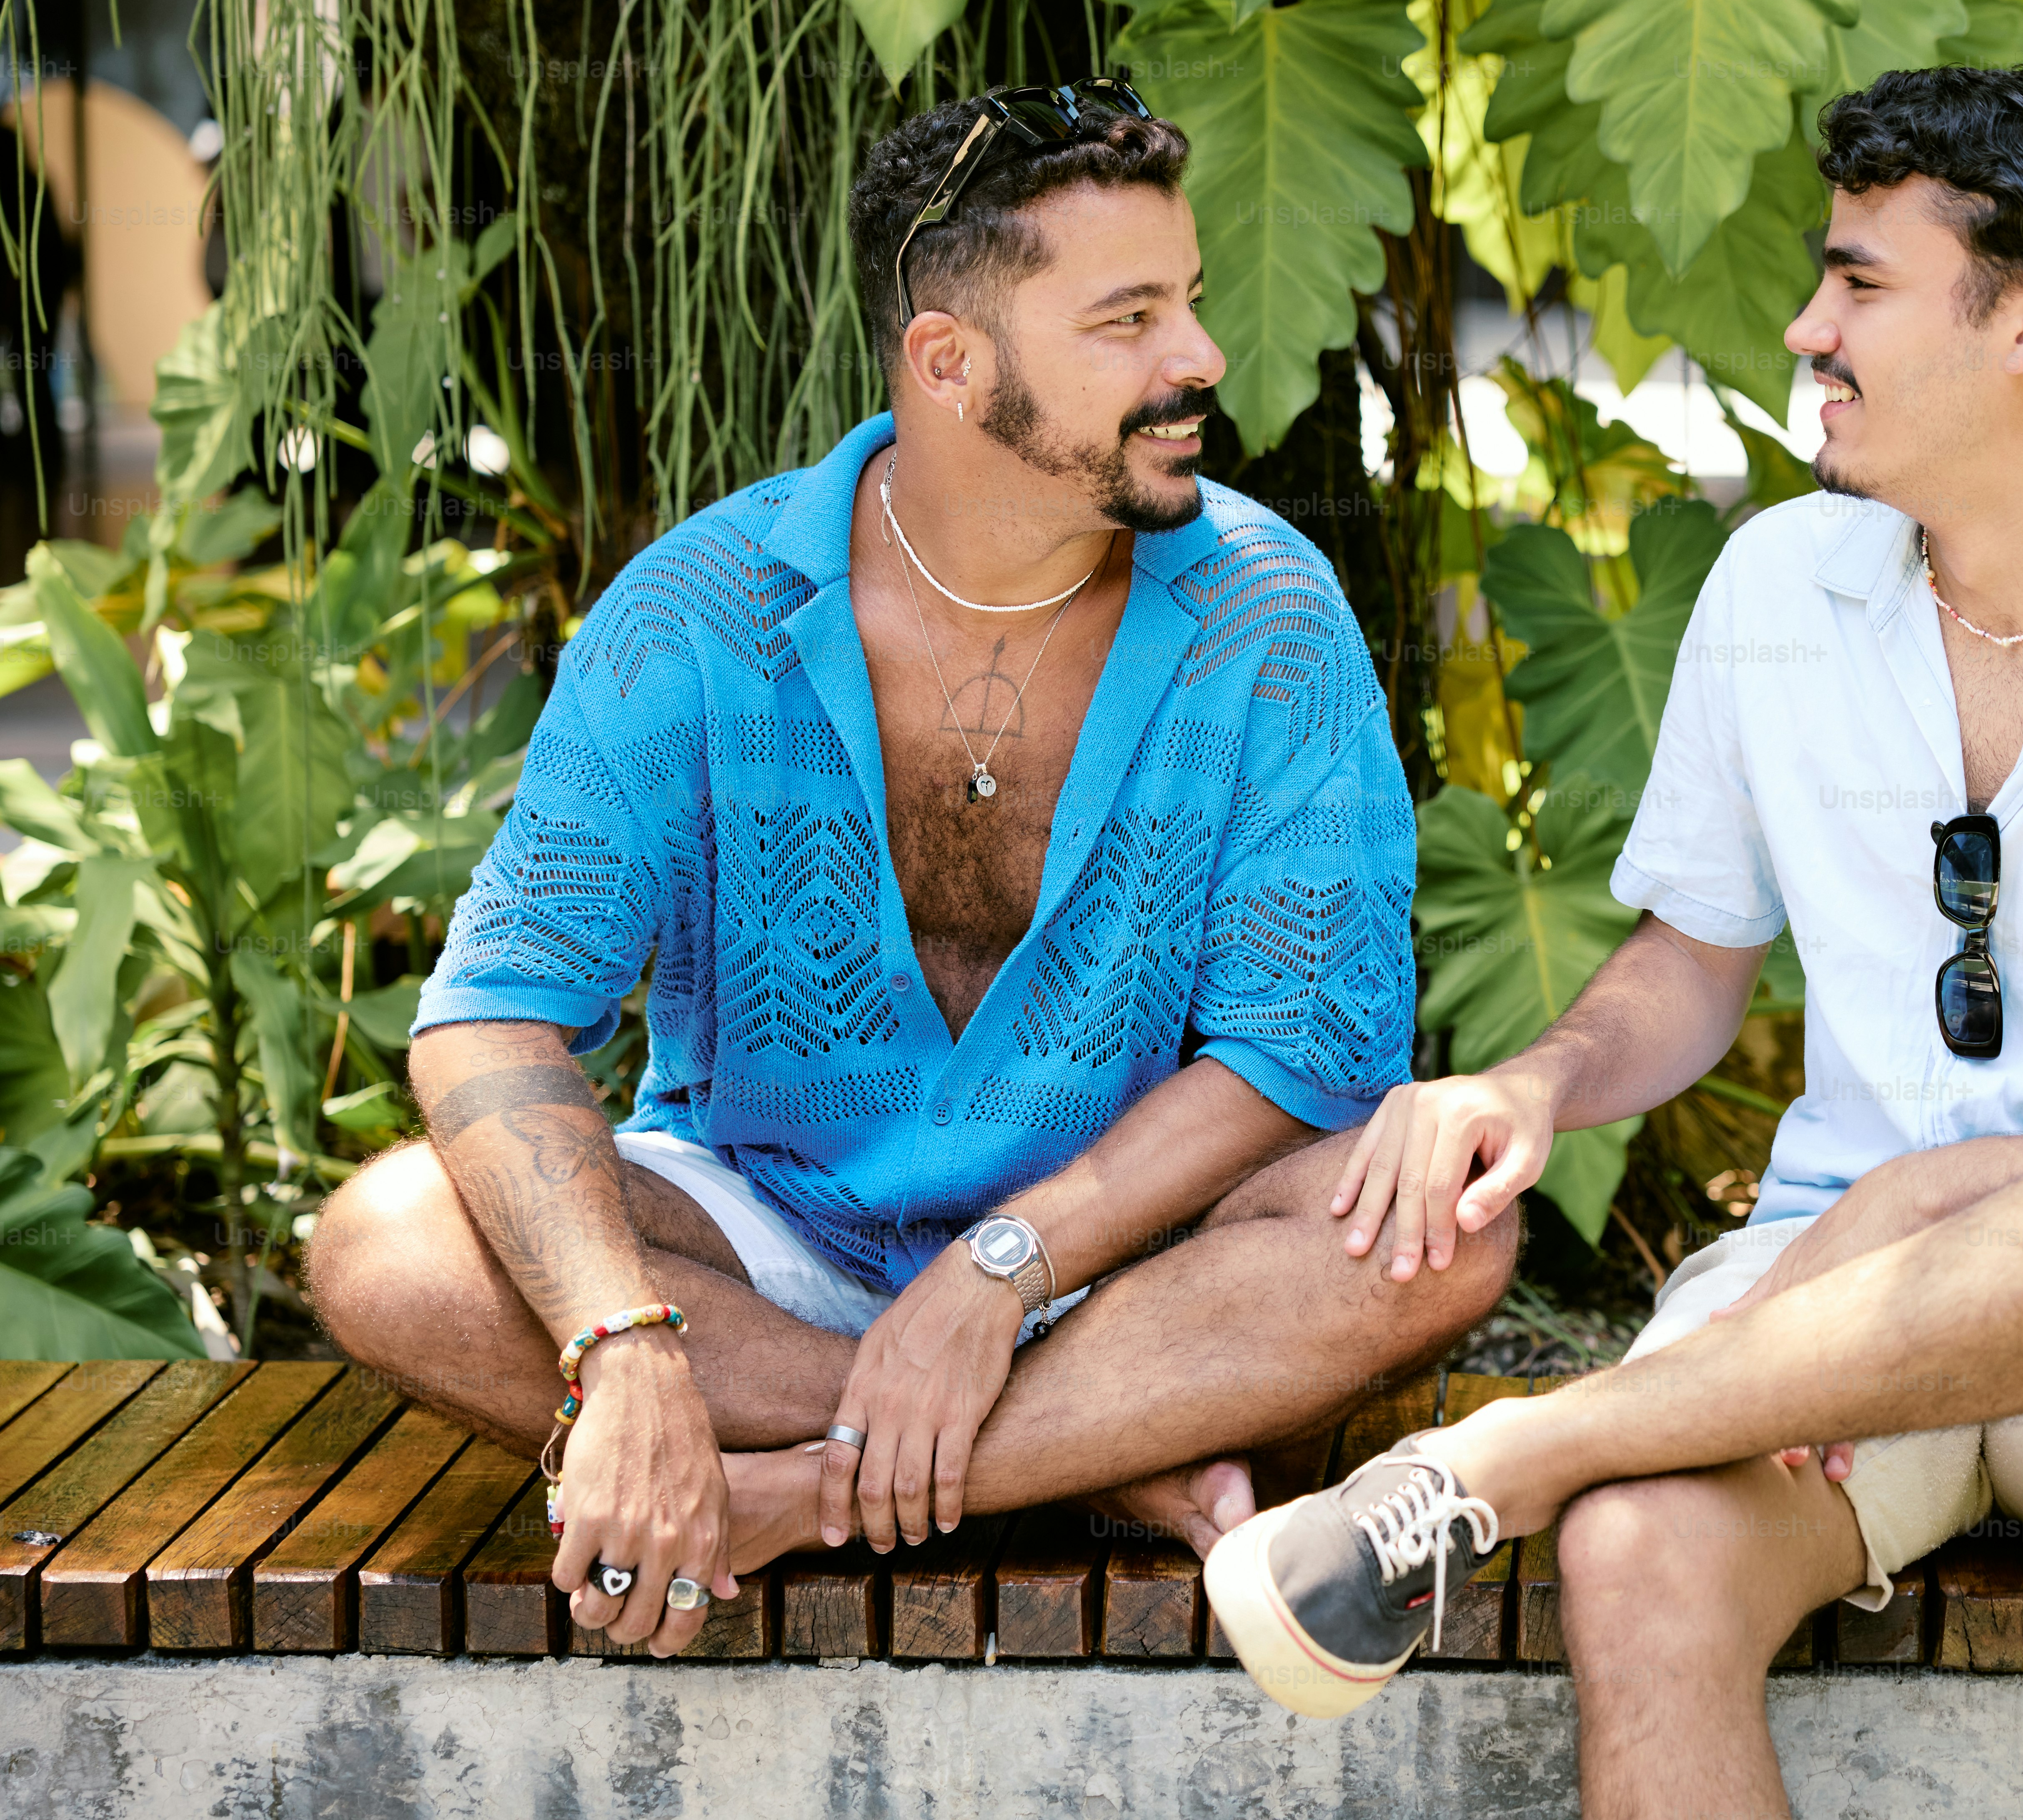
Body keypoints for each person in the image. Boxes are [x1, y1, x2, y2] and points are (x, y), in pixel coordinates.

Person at [1205, 65, 2023, 1817]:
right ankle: (1586, 1474)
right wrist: (1535, 1077)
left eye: (1860, 283)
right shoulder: (1780, 588)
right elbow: (1688, 964)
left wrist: (1931, 1207)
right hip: (1831, 1301)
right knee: (1641, 1553)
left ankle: (1508, 1459)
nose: (1804, 326)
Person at [305, 82, 1513, 1660]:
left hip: (1127, 1266)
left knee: (1442, 1231)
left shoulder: (1268, 616)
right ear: (950, 362)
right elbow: (493, 1016)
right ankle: (1095, 1461)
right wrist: (629, 1351)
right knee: (383, 1243)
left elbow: (1299, 1056)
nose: (1199, 360)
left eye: (1192, 303)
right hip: (772, 1239)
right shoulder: (696, 613)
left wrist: (1006, 1270)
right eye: (1129, 320)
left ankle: (815, 1485)